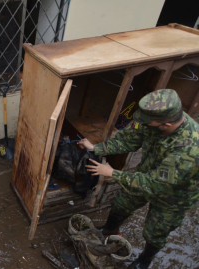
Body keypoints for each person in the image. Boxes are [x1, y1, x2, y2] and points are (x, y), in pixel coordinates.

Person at [78, 89, 199, 269]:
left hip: (173, 196)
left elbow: (154, 184)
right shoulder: (152, 120)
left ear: (165, 124)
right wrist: (97, 148)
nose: (141, 123)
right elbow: (129, 140)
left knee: (155, 232)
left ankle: (144, 261)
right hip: (146, 175)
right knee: (121, 204)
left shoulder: (189, 149)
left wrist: (112, 173)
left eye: (147, 122)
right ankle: (109, 229)